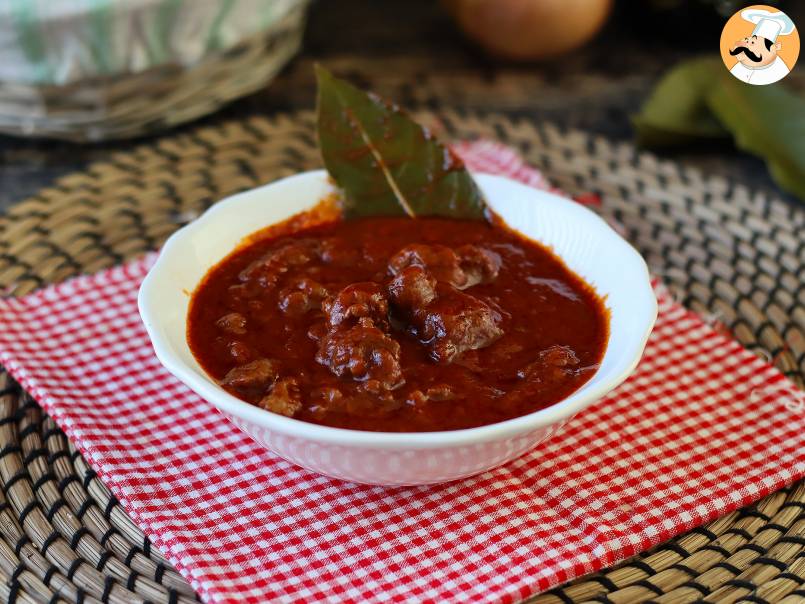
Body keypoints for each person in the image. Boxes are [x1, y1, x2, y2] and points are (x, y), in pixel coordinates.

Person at [728, 9, 795, 85]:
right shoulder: (739, 65)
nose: (746, 45)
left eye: (753, 43)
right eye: (747, 40)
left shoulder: (778, 71)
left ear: (775, 47)